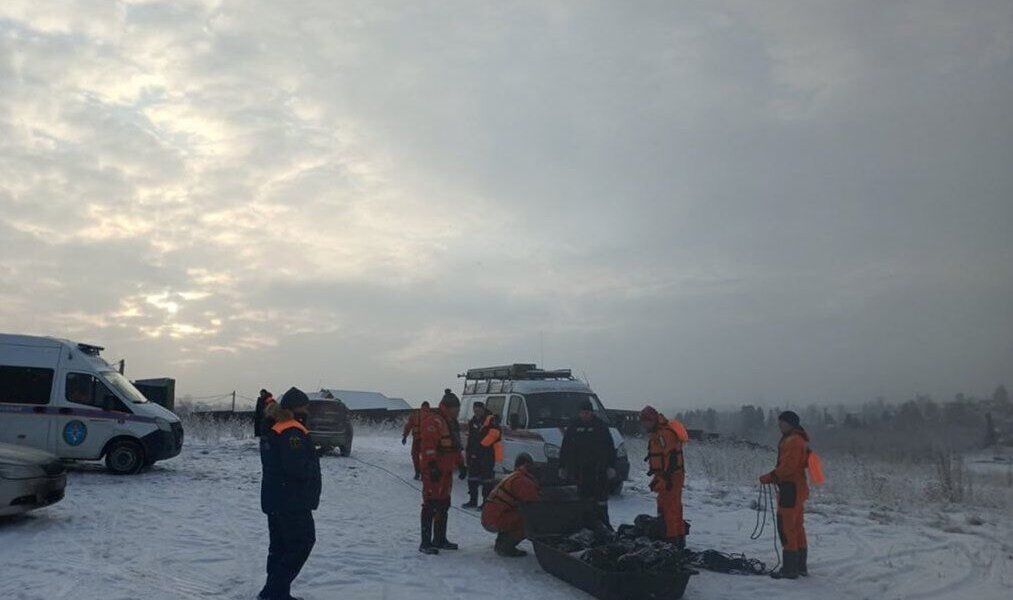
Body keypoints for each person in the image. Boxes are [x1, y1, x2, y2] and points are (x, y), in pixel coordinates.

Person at [259, 387, 321, 600]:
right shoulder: (291, 430)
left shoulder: (274, 425)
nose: (307, 411)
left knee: (280, 547)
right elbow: (295, 467)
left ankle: (276, 593)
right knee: (302, 543)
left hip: (276, 498)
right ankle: (274, 592)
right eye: (305, 406)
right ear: (296, 408)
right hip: (291, 500)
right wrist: (312, 464)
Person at [760, 410, 810, 580]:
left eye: (782, 422)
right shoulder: (799, 439)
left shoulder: (793, 441)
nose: (779, 425)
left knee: (787, 527)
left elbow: (788, 467)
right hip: (798, 488)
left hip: (791, 489)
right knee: (797, 527)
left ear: (791, 423)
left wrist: (770, 477)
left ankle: (790, 570)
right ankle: (800, 566)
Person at [418, 392, 465, 554]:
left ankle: (440, 539)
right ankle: (425, 542)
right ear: (446, 407)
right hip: (434, 471)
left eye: (458, 409)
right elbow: (428, 446)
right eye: (455, 409)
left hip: (446, 470)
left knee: (444, 504)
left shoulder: (451, 423)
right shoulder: (434, 421)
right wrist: (432, 466)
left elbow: (455, 447)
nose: (457, 412)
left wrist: (461, 464)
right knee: (430, 505)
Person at [559, 400, 617, 527]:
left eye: (587, 412)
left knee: (600, 501)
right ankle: (583, 524)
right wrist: (562, 466)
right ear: (579, 413)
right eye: (583, 413)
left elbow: (610, 448)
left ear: (591, 412)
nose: (585, 415)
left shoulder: (600, 427)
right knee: (581, 500)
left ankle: (603, 524)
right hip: (579, 471)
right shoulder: (573, 427)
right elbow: (565, 448)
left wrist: (611, 466)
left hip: (598, 471)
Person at [640, 405, 689, 549]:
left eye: (646, 422)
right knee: (667, 506)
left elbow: (672, 457)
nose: (644, 426)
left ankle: (671, 542)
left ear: (652, 420)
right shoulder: (657, 432)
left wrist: (666, 478)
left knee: (670, 508)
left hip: (672, 476)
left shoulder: (664, 434)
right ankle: (677, 539)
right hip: (665, 475)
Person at [482, 453, 541, 557]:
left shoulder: (515, 476)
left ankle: (501, 543)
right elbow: (534, 505)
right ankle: (506, 547)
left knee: (515, 514)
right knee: (527, 521)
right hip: (496, 519)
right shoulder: (523, 481)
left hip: (492, 516)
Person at [463, 402, 503, 508]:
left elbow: (495, 435)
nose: (476, 411)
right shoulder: (473, 421)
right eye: (475, 409)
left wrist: (481, 446)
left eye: (478, 409)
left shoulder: (491, 420)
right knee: (472, 477)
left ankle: (486, 503)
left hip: (487, 454)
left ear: (483, 409)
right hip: (474, 454)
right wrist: (469, 452)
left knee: (487, 480)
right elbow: (471, 438)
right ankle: (473, 501)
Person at [402, 401, 431, 480]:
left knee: (415, 455)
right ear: (428, 407)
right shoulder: (432, 415)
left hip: (417, 439)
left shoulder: (415, 414)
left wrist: (405, 436)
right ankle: (424, 473)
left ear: (421, 406)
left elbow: (408, 426)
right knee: (426, 457)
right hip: (427, 440)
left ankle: (417, 472)